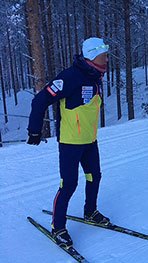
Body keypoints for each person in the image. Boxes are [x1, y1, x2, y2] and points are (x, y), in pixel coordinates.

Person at [27, 37, 110, 248]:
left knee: (94, 177)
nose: (107, 59)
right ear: (93, 56)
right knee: (69, 184)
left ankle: (90, 211)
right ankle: (58, 228)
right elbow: (40, 100)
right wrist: (34, 130)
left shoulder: (95, 76)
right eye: (104, 55)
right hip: (70, 143)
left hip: (89, 141)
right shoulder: (70, 77)